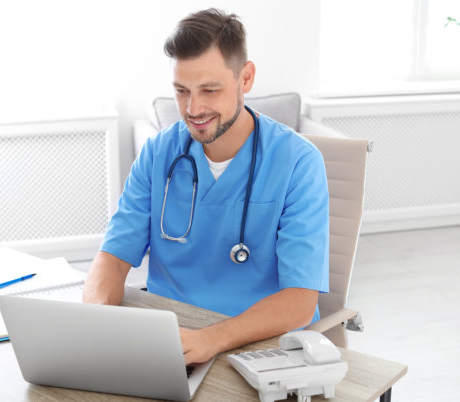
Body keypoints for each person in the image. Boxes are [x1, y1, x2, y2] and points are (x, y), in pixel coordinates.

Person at [83, 8, 329, 365]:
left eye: (210, 90)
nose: (193, 108)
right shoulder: (158, 153)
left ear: (245, 78)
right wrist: (95, 320)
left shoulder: (298, 162)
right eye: (181, 91)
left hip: (262, 343)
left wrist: (212, 339)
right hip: (173, 341)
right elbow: (113, 257)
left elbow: (301, 299)